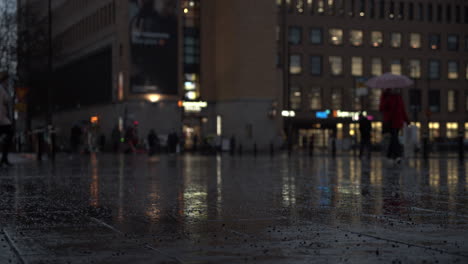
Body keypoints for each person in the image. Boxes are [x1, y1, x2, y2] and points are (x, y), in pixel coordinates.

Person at [379, 88, 409, 163]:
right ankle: (397, 156)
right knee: (394, 138)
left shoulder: (398, 97)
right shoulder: (386, 96)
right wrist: (387, 99)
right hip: (390, 121)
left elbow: (402, 109)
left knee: (394, 138)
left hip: (397, 121)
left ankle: (390, 156)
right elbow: (381, 108)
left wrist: (406, 120)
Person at [0, 72, 13, 166]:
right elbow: (7, 100)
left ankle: (4, 157)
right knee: (9, 133)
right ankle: (4, 157)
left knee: (9, 133)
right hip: (1, 119)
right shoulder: (1, 89)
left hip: (2, 118)